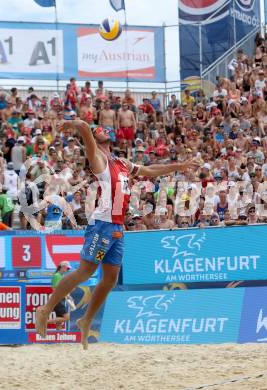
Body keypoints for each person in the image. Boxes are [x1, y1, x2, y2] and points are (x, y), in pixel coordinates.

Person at [35, 119, 198, 349]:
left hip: (118, 226)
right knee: (84, 272)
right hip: (102, 224)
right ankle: (46, 309)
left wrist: (178, 166)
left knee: (110, 279)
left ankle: (86, 320)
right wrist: (71, 124)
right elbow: (83, 126)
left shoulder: (120, 162)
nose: (103, 137)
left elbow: (150, 170)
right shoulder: (98, 158)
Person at [50, 261, 73, 330]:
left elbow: (61, 289)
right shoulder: (57, 276)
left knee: (59, 322)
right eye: (67, 268)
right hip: (58, 300)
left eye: (68, 269)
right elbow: (55, 289)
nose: (67, 270)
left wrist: (67, 295)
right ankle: (44, 321)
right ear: (63, 267)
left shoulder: (61, 276)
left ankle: (59, 337)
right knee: (66, 318)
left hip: (60, 299)